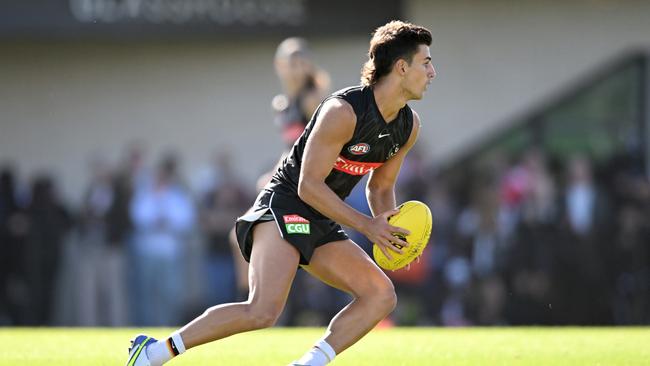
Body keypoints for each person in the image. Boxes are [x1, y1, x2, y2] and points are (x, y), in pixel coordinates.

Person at [126, 20, 435, 366]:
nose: (432, 71)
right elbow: (308, 185)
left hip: (321, 215)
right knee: (263, 310)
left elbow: (381, 187)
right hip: (285, 204)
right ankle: (153, 352)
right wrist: (367, 227)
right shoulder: (342, 111)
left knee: (381, 295)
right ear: (402, 67)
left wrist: (387, 232)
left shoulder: (409, 126)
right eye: (426, 62)